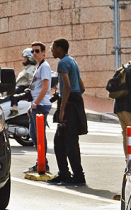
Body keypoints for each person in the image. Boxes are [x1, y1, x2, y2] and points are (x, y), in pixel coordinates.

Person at [49, 38, 87, 187]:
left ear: (60, 49)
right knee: (60, 142)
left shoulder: (63, 63)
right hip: (75, 102)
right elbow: (81, 86)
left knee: (69, 143)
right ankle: (64, 174)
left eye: (53, 47)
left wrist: (63, 109)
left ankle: (78, 175)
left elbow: (67, 86)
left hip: (69, 104)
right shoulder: (72, 61)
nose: (51, 50)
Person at [26, 43, 53, 174]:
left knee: (39, 135)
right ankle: (41, 161)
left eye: (37, 51)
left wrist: (35, 103)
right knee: (33, 134)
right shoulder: (39, 66)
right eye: (32, 51)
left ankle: (43, 163)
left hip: (41, 105)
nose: (34, 53)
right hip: (36, 104)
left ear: (43, 52)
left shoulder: (45, 67)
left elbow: (45, 87)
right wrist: (32, 105)